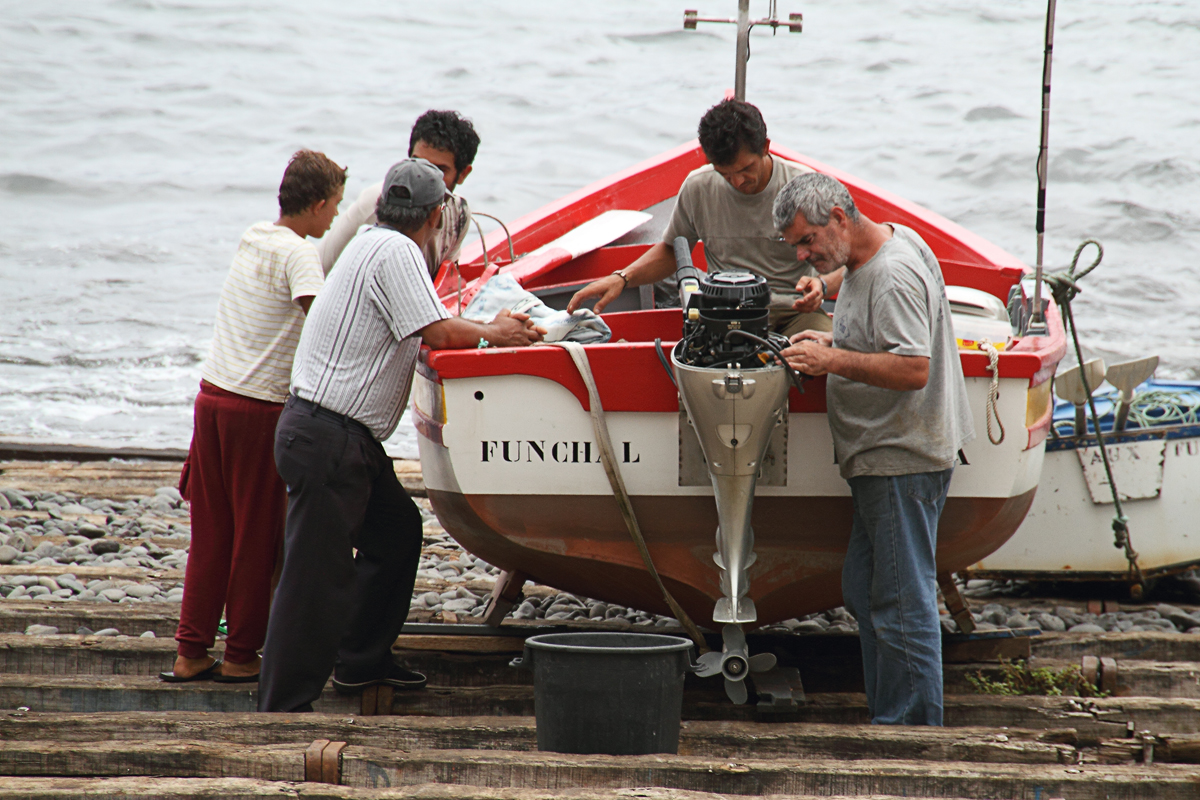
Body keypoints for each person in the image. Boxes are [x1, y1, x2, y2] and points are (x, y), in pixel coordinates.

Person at [258, 158, 544, 713]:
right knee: (316, 580)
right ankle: (283, 710)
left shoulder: (369, 241)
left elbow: (429, 318)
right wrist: (498, 334)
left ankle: (362, 661)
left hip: (328, 434)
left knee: (395, 532)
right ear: (436, 215)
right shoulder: (397, 251)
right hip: (330, 437)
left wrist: (488, 327)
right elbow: (437, 329)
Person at [773, 172, 974, 726]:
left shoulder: (891, 274)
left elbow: (912, 368)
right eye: (796, 245)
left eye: (808, 240)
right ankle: (894, 713)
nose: (805, 254)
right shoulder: (882, 246)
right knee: (865, 588)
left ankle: (911, 733)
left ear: (839, 217)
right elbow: (882, 338)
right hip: (884, 460)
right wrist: (832, 337)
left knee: (901, 605)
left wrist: (831, 361)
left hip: (901, 459)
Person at [161, 150, 346, 684]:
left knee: (212, 532)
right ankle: (242, 655)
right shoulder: (300, 256)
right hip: (256, 410)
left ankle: (190, 649)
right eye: (332, 206)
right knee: (256, 538)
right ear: (314, 205)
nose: (335, 217)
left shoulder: (253, 236)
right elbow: (324, 324)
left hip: (212, 398)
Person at [567, 99, 844, 337]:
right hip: (724, 316)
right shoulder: (699, 187)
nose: (737, 181)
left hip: (794, 314)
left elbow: (847, 257)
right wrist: (622, 279)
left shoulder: (806, 188)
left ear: (765, 147)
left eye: (746, 168)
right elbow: (673, 250)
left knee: (829, 356)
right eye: (725, 173)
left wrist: (821, 285)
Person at [315, 109, 479, 278]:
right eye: (417, 163)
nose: (423, 176)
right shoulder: (377, 203)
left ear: (463, 174)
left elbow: (443, 283)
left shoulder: (458, 214)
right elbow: (319, 271)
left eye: (438, 170)